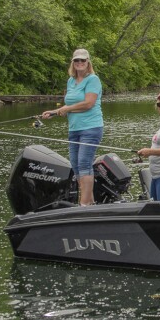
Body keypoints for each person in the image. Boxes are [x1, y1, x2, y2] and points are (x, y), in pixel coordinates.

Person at [41, 48, 103, 206]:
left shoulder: (93, 79)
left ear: (88, 62)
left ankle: (83, 206)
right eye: (77, 60)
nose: (80, 63)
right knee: (76, 166)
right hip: (74, 129)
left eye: (83, 60)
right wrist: (54, 112)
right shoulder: (71, 81)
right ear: (73, 63)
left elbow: (88, 104)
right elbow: (70, 105)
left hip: (91, 127)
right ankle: (90, 203)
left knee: (84, 163)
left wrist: (66, 109)